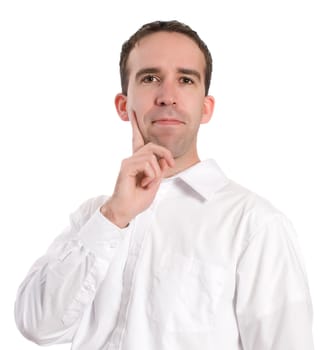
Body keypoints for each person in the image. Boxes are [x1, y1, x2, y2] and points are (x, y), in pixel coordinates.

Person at [15, 20, 314, 350]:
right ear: (122, 105)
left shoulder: (254, 224)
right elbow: (37, 326)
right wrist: (113, 217)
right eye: (150, 78)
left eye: (186, 80)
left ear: (206, 108)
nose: (167, 96)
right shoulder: (95, 215)